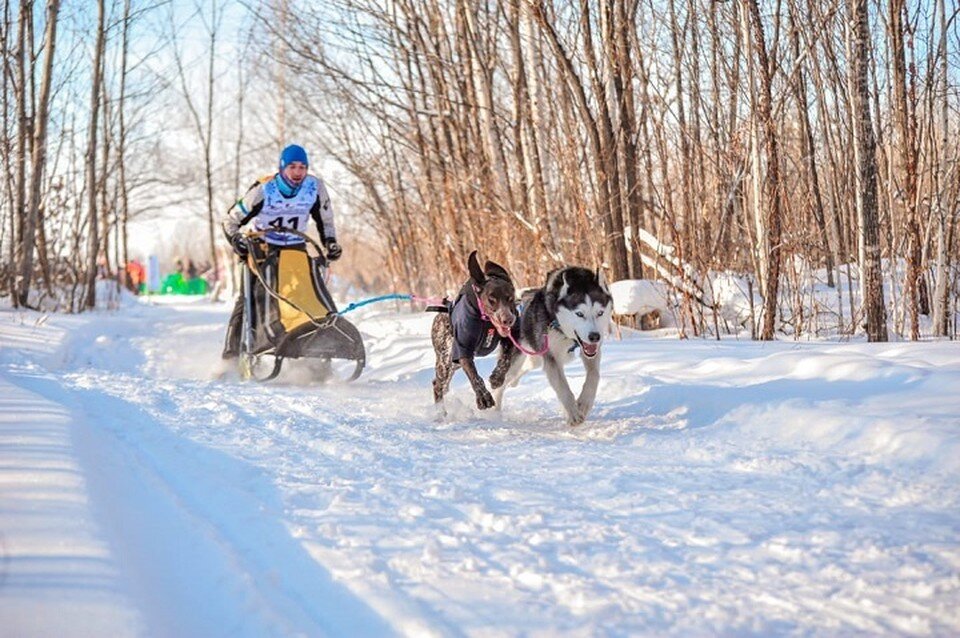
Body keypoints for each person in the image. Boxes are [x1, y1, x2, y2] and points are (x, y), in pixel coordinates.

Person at [221, 144, 342, 359]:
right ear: (282, 168)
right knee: (248, 298)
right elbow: (231, 220)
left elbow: (326, 220)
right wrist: (236, 240)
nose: (298, 173)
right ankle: (230, 356)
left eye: (302, 167)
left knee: (303, 292)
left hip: (295, 247)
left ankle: (313, 346)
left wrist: (330, 242)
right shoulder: (264, 189)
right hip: (261, 247)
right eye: (292, 167)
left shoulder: (314, 188)